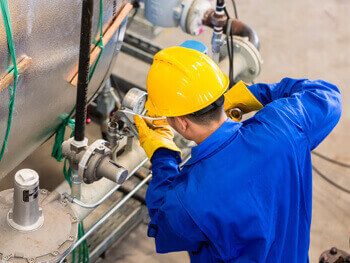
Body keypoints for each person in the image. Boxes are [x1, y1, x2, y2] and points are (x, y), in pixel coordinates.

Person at [133, 46, 342, 262]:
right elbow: (326, 95)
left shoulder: (189, 198)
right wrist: (255, 95)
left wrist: (162, 154)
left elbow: (162, 219)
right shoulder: (285, 125)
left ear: (182, 123)